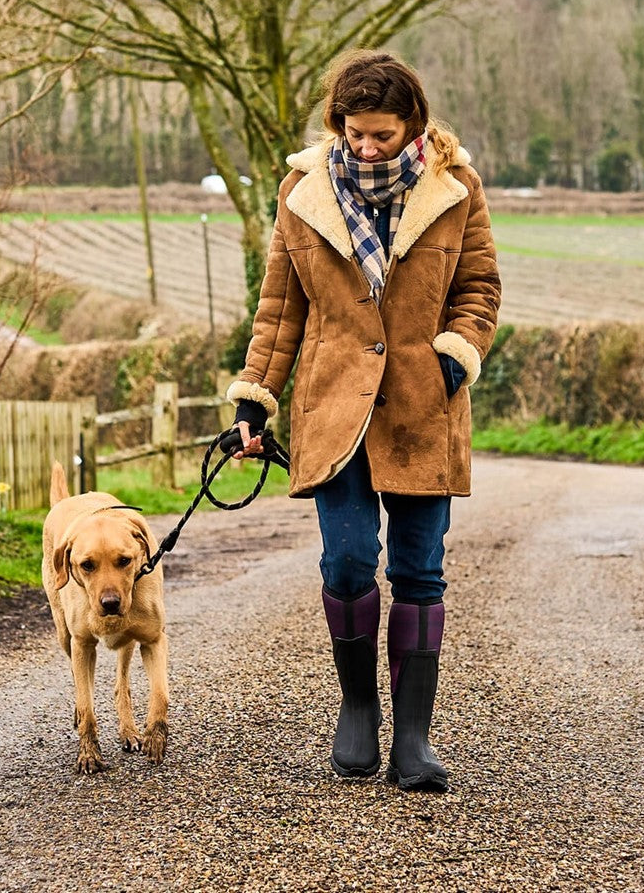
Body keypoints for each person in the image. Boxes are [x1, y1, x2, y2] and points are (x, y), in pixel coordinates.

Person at [220, 50, 501, 792]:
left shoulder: (457, 189)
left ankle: (414, 739)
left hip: (421, 405)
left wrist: (455, 353)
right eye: (355, 133)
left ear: (413, 124)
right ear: (336, 125)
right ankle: (357, 709)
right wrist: (255, 393)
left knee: (418, 570)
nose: (367, 148)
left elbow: (480, 288)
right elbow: (280, 306)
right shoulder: (301, 193)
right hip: (332, 403)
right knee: (346, 561)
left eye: (382, 134)